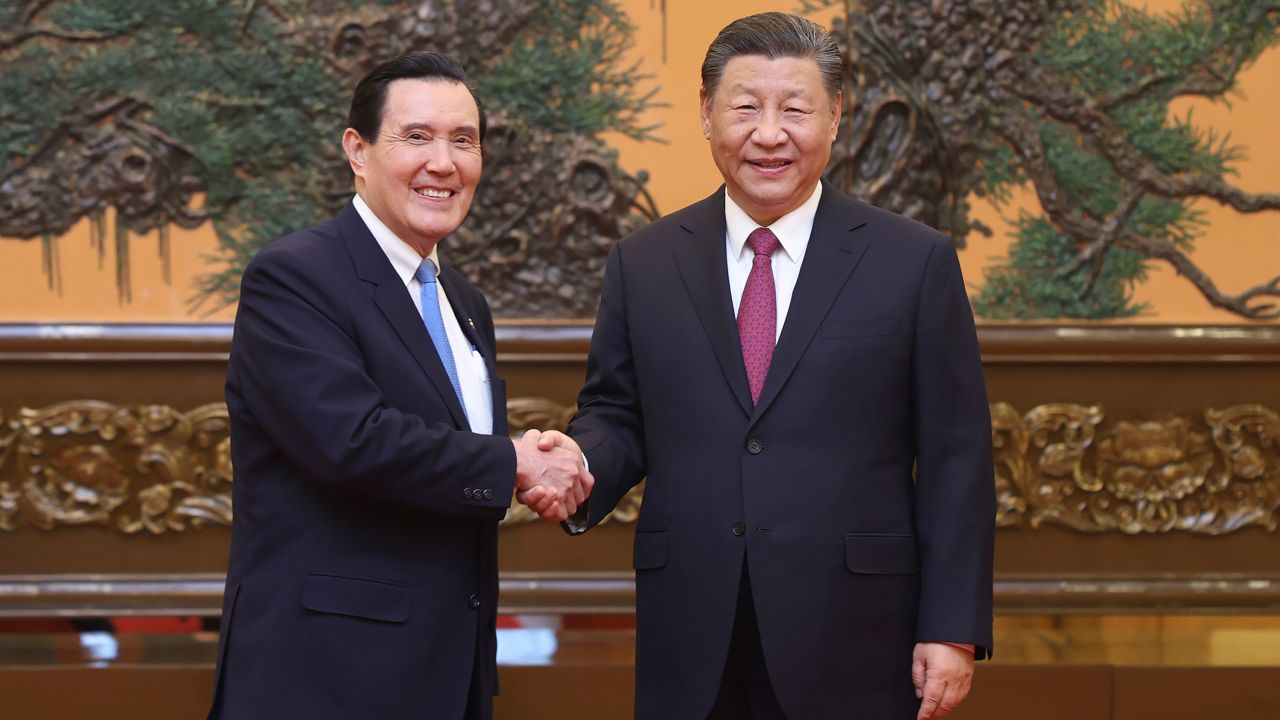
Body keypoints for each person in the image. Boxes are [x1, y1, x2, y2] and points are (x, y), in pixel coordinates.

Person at [536, 12, 994, 720]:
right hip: (693, 625)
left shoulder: (914, 261)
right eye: (746, 107)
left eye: (796, 109)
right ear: (706, 114)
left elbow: (955, 457)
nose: (769, 134)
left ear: (836, 117)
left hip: (856, 628)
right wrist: (578, 463)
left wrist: (951, 627)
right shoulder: (644, 262)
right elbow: (618, 414)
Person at [207, 52, 591, 720]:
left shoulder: (463, 301)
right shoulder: (294, 277)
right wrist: (515, 461)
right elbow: (351, 441)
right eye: (417, 137)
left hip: (446, 672)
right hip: (324, 678)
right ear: (358, 150)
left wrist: (533, 464)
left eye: (463, 141)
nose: (443, 163)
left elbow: (450, 464)